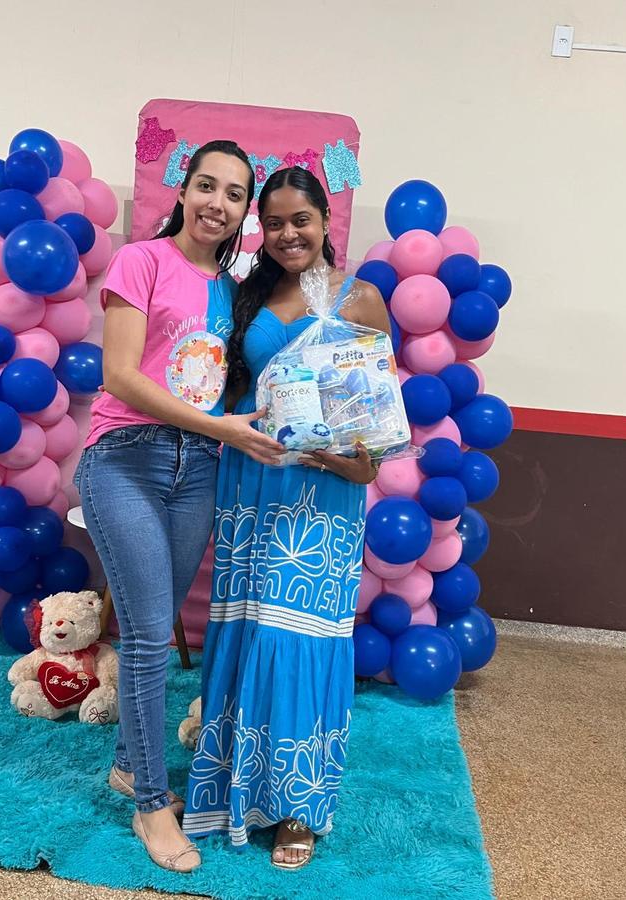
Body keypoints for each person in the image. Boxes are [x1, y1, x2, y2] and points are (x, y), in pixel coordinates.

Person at [73, 140, 283, 873]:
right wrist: (221, 429)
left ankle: (128, 762)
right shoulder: (142, 260)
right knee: (145, 635)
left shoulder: (234, 291)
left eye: (233, 194)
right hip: (125, 460)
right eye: (206, 186)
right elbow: (121, 377)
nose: (216, 203)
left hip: (198, 471)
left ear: (243, 212)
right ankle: (151, 804)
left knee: (156, 630)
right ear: (184, 191)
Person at [183, 167, 391, 869]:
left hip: (320, 501)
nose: (286, 234)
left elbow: (374, 430)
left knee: (295, 639)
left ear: (325, 220)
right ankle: (229, 785)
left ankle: (297, 804)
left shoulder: (361, 299)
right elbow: (228, 394)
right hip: (249, 488)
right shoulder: (248, 296)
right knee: (246, 631)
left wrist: (340, 459)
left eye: (299, 219)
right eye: (272, 223)